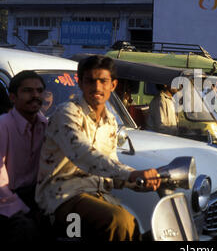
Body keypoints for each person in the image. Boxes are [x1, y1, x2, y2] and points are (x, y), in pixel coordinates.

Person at [35, 55, 161, 241]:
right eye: (90, 81)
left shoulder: (110, 120)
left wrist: (145, 182)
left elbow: (111, 169)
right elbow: (83, 154)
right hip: (62, 197)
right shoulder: (67, 113)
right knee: (118, 221)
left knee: (143, 227)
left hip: (97, 195)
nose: (97, 87)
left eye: (103, 81)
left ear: (113, 85)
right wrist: (131, 174)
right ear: (81, 83)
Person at [0, 71, 45, 241]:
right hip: (6, 199)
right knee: (25, 229)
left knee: (74, 221)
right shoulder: (2, 126)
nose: (35, 96)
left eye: (39, 91)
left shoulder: (46, 126)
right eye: (28, 91)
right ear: (12, 97)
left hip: (37, 195)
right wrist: (25, 210)